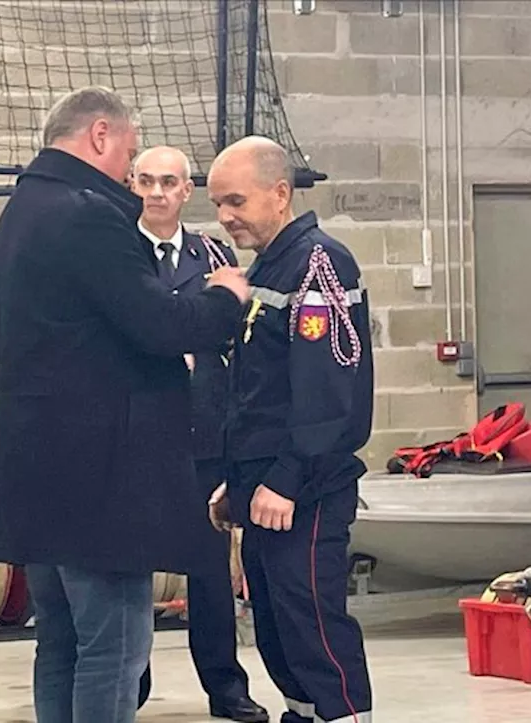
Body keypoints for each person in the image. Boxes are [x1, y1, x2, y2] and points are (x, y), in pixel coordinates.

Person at [0, 87, 251, 723]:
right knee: (117, 647)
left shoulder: (19, 212)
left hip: (36, 465)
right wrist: (223, 298)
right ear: (100, 135)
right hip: (98, 475)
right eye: (129, 153)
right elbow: (157, 323)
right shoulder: (88, 213)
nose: (132, 175)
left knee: (61, 643)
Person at [206, 135, 374, 723]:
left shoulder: (319, 265)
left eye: (236, 201)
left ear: (280, 194)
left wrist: (286, 477)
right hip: (262, 486)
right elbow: (257, 393)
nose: (225, 217)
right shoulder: (269, 267)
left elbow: (328, 395)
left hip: (305, 489)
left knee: (313, 627)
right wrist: (240, 480)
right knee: (276, 631)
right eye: (218, 204)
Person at [130, 146, 268, 723]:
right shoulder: (116, 253)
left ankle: (225, 685)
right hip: (136, 437)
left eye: (169, 182)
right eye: (145, 180)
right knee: (129, 567)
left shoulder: (213, 254)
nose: (157, 192)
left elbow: (236, 332)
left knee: (210, 570)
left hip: (204, 434)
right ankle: (127, 683)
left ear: (188, 191)